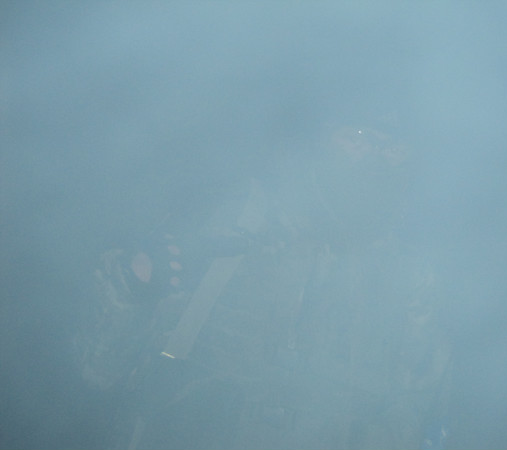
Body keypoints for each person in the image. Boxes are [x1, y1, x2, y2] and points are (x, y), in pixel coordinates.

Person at [77, 124, 453, 450]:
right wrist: (133, 286)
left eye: (392, 147)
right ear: (323, 134)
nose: (371, 158)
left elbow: (415, 411)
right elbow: (99, 368)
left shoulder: (412, 276)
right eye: (357, 136)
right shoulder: (237, 216)